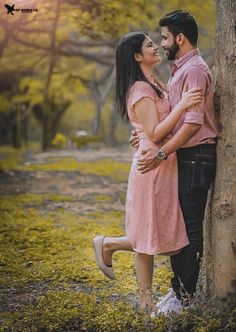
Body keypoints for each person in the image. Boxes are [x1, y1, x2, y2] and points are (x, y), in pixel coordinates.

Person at [93, 30, 203, 313]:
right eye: (149, 45)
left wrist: (143, 131)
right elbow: (154, 133)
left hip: (161, 163)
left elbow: (148, 128)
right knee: (151, 233)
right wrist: (182, 106)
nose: (156, 47)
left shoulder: (152, 82)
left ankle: (141, 293)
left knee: (149, 232)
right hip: (151, 166)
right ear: (137, 56)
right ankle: (112, 250)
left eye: (155, 42)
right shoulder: (141, 89)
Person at [130, 10, 217, 314]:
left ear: (180, 38)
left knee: (190, 228)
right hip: (184, 156)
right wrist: (142, 133)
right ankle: (177, 290)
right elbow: (167, 117)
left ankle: (184, 298)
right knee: (178, 226)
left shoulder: (193, 71)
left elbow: (192, 125)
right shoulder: (179, 69)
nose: (162, 43)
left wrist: (162, 152)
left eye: (165, 37)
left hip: (195, 156)